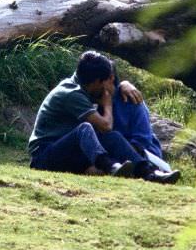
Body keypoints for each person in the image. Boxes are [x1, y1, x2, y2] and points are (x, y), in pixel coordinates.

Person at [28, 51, 180, 184]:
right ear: (96, 82)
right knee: (86, 129)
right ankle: (110, 166)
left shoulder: (85, 86)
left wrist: (124, 84)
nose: (110, 84)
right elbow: (105, 125)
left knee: (112, 136)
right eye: (108, 80)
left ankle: (150, 172)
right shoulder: (71, 93)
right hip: (45, 156)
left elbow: (110, 131)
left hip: (70, 152)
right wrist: (107, 104)